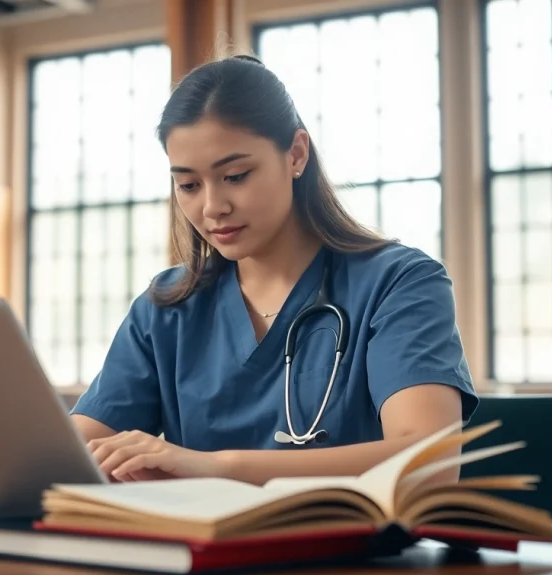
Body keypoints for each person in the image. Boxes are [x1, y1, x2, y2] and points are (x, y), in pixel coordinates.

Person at [69, 54, 478, 486]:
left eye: (236, 176)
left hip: (354, 534)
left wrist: (219, 468)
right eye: (188, 185)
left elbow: (427, 465)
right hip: (195, 534)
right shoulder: (166, 309)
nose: (212, 207)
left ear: (296, 154)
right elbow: (68, 456)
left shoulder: (399, 283)